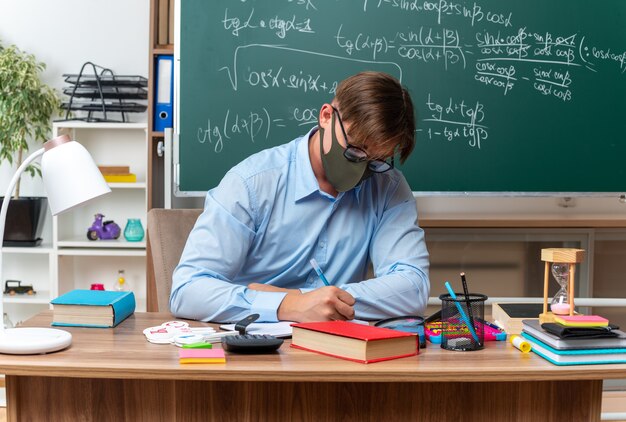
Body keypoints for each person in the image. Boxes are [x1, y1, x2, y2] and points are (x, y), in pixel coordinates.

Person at [170, 71, 430, 323]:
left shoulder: (388, 186)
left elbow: (412, 287)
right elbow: (187, 290)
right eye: (354, 151)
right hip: (254, 350)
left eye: (376, 161)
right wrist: (287, 307)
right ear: (326, 116)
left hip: (337, 350)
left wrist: (305, 301)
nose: (363, 169)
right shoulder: (251, 183)